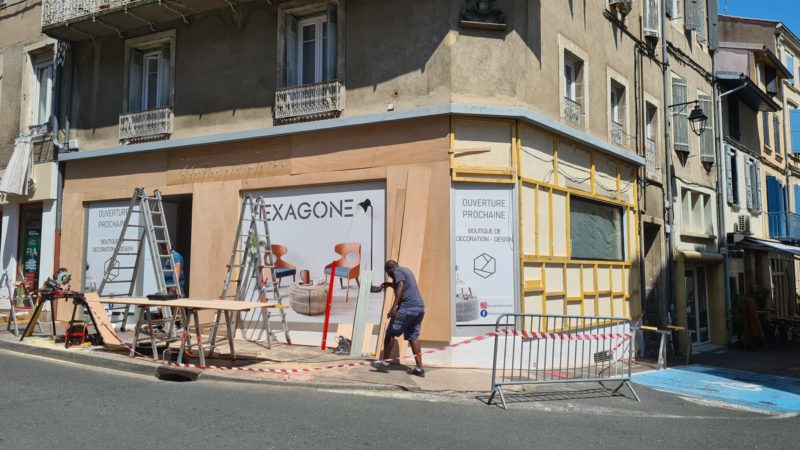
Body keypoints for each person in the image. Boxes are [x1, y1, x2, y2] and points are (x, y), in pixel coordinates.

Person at [370, 260, 425, 377]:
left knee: (390, 333)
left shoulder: (398, 271)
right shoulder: (406, 270)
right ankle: (420, 368)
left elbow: (401, 285)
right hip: (419, 308)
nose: (389, 275)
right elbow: (403, 284)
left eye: (388, 273)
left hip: (407, 308)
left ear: (390, 269)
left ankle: (384, 363)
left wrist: (394, 306)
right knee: (413, 337)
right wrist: (389, 284)